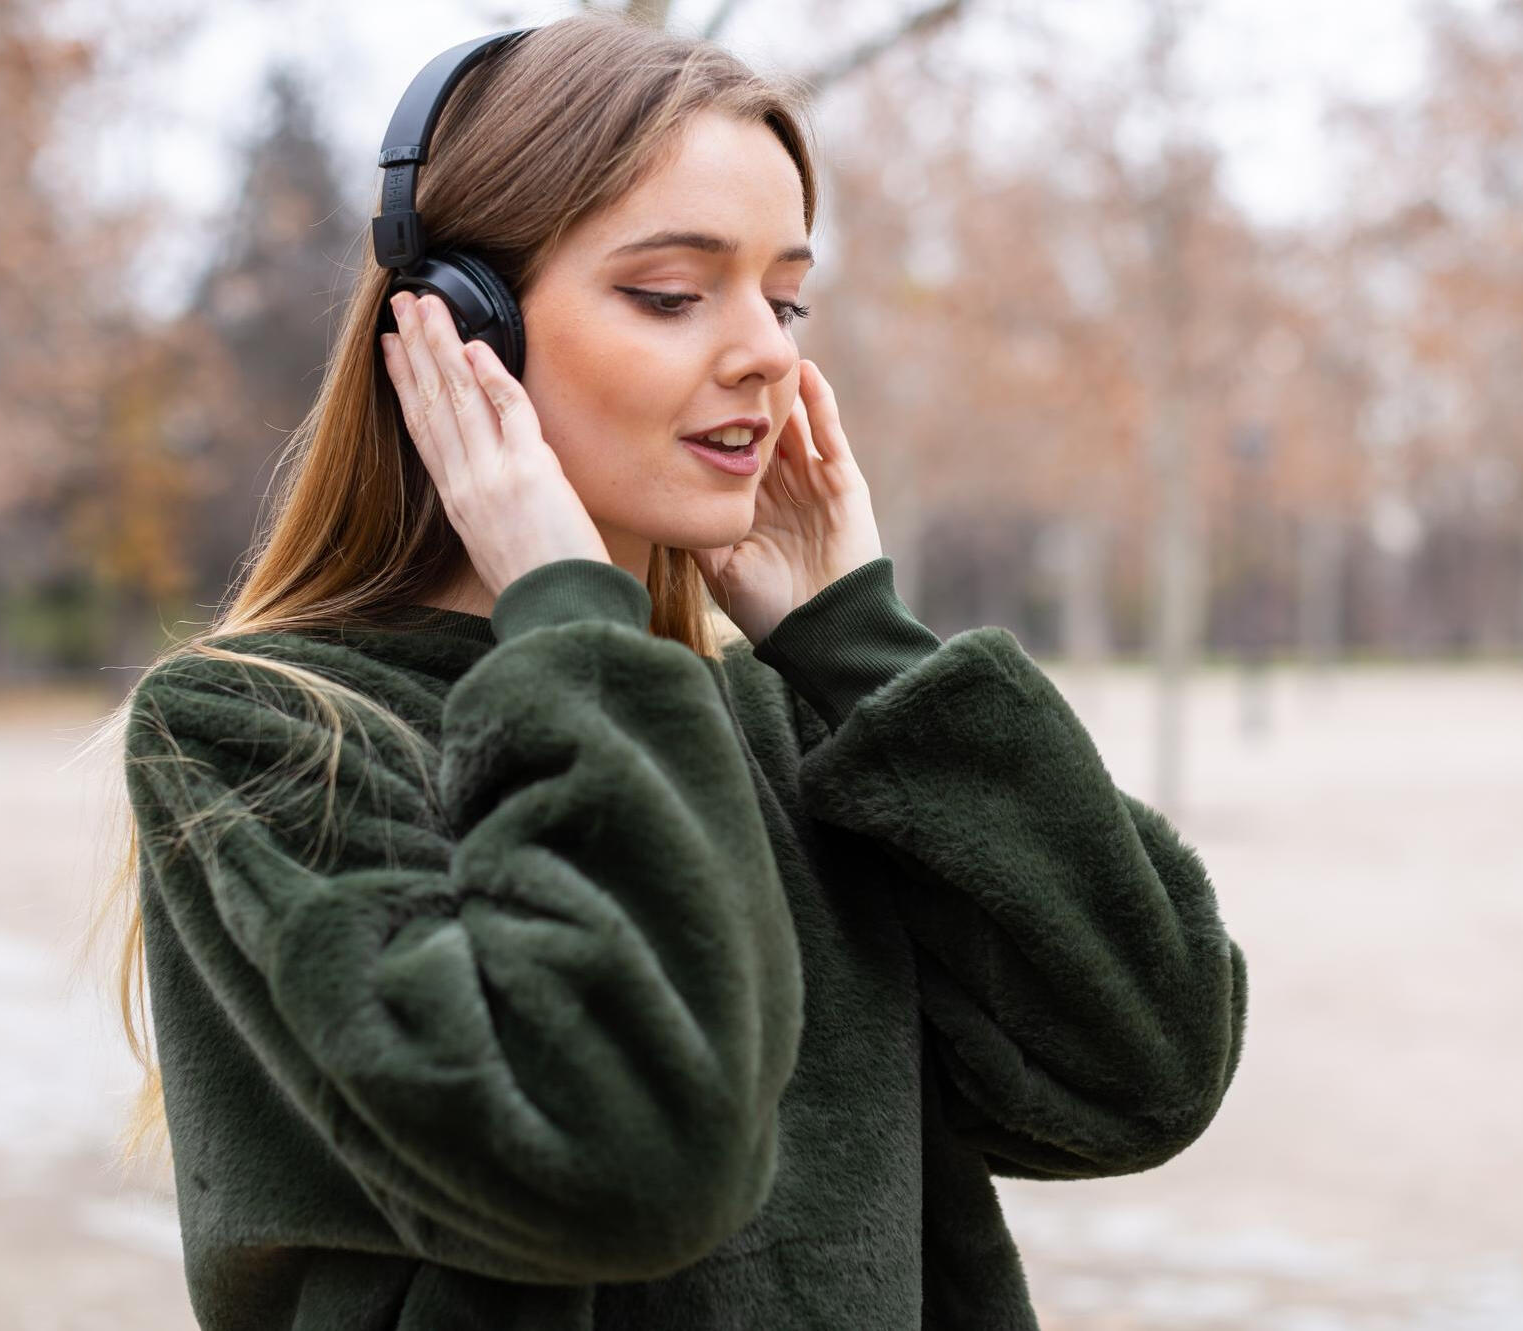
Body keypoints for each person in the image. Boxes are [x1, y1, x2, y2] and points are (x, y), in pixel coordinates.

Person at [89, 12, 1247, 1328]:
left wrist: (858, 648)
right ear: (465, 331)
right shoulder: (263, 735)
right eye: (673, 293)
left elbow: (1144, 1069)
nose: (766, 349)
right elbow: (629, 1166)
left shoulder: (788, 723)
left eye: (787, 295)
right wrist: (573, 619)